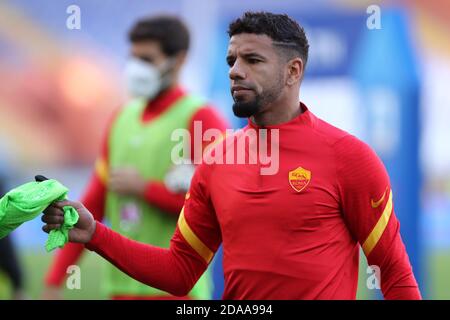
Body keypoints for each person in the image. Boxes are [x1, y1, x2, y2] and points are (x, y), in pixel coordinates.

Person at [42, 11, 421, 299]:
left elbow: (393, 270)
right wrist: (95, 234)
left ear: (293, 71)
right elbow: (181, 270)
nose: (236, 72)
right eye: (231, 61)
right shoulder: (217, 159)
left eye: (252, 61)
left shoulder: (349, 157)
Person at [42, 15, 229, 300]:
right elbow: (93, 202)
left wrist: (145, 189)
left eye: (146, 59)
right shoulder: (121, 118)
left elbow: (218, 209)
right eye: (132, 57)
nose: (135, 68)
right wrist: (55, 281)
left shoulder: (203, 119)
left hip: (177, 294)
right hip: (119, 290)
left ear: (178, 60)